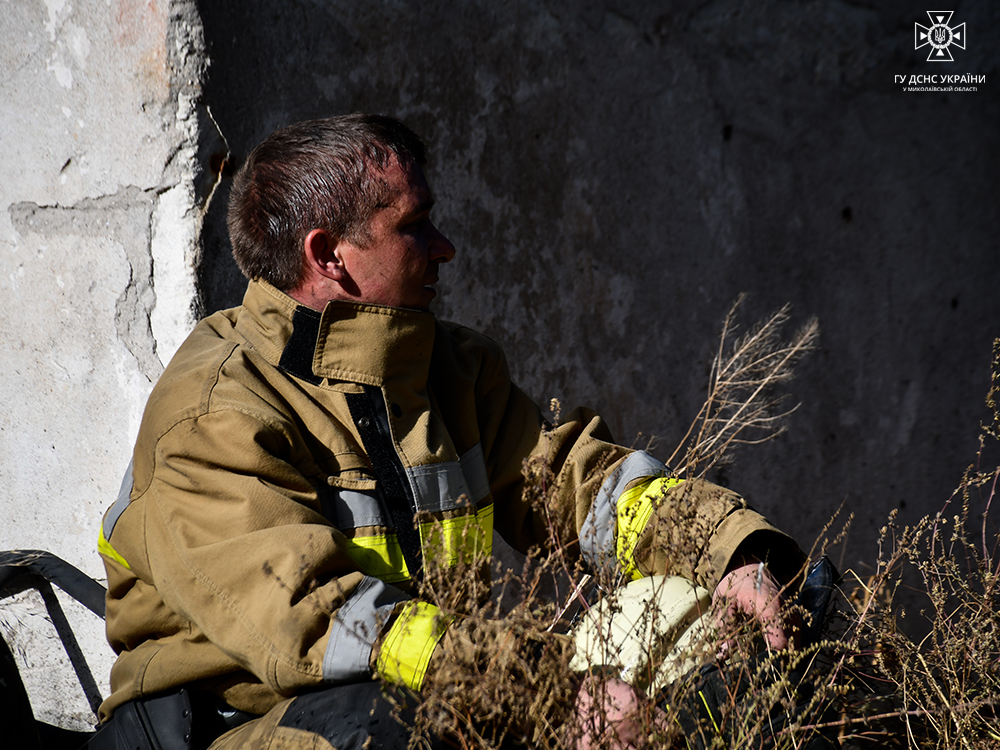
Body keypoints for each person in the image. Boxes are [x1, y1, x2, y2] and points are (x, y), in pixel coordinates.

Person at [94, 113, 804, 750]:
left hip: (433, 693)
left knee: (697, 616)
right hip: (243, 730)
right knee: (401, 727)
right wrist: (549, 696)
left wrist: (733, 552)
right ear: (327, 254)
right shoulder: (217, 411)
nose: (446, 248)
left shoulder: (448, 372)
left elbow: (576, 484)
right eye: (414, 225)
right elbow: (327, 624)